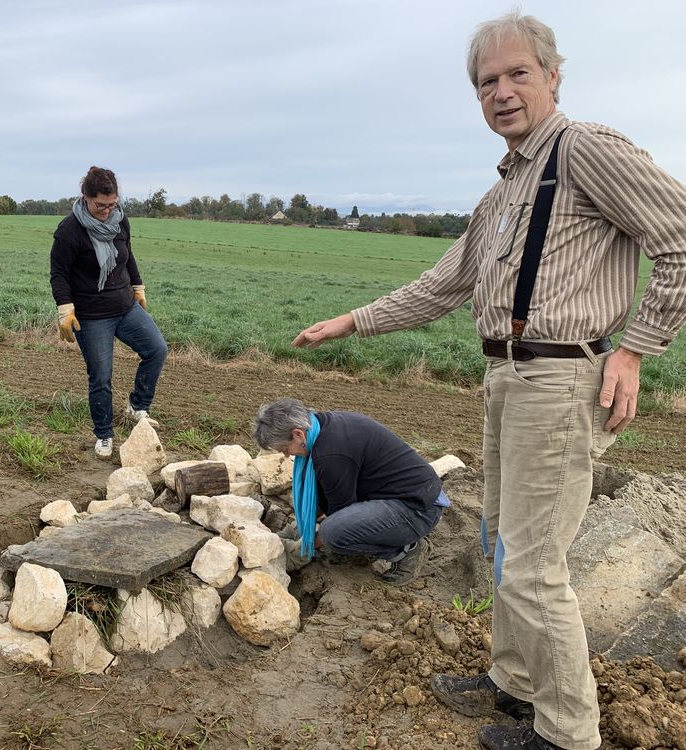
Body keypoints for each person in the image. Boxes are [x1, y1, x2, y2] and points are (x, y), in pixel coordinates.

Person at [292, 11, 686, 750]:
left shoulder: (585, 150)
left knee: (536, 568)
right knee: (502, 541)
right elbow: (441, 285)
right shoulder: (503, 189)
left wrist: (636, 349)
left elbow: (680, 236)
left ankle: (569, 735)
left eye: (517, 74)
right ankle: (512, 684)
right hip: (506, 376)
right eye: (486, 82)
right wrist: (351, 322)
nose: (501, 92)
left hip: (563, 379)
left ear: (553, 76)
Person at [253, 398, 449, 586]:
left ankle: (406, 550)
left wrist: (305, 548)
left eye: (284, 449)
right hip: (401, 494)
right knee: (328, 524)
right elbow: (326, 493)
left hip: (418, 507)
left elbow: (339, 517)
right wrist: (299, 528)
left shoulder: (331, 454)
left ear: (298, 434)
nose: (286, 455)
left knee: (333, 535)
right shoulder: (321, 426)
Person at [50, 166, 168, 458]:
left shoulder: (120, 220)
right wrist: (65, 309)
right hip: (91, 316)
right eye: (100, 205)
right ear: (85, 198)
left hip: (125, 305)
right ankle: (104, 434)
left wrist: (138, 286)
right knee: (101, 376)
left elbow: (127, 253)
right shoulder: (70, 231)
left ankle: (137, 406)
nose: (106, 211)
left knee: (157, 350)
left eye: (111, 204)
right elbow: (59, 274)